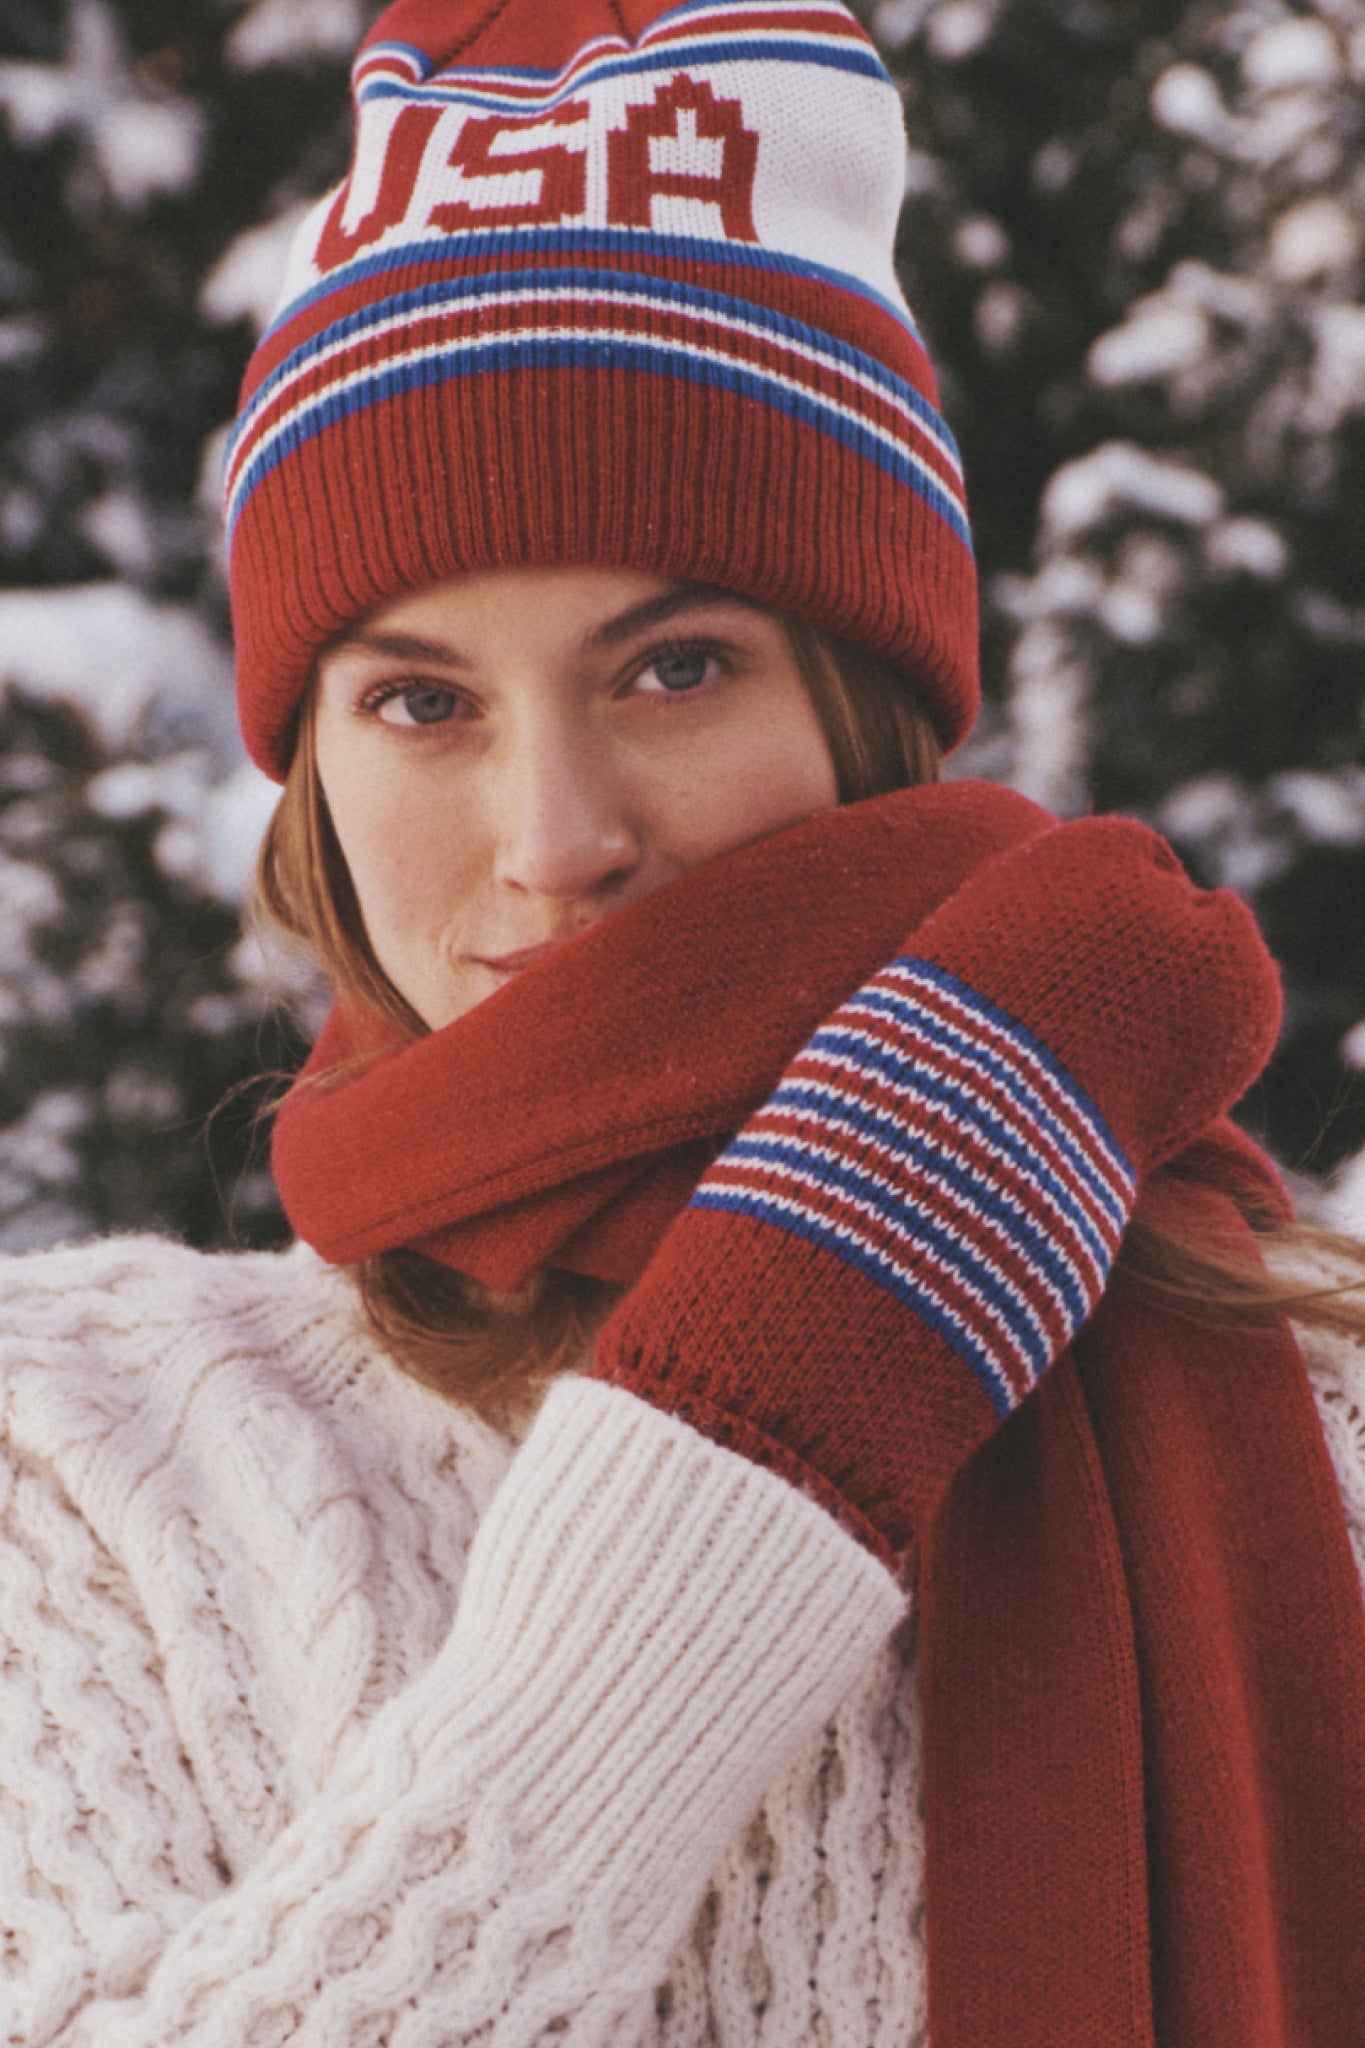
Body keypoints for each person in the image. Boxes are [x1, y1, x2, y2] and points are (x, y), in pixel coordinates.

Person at [3, 3, 1365, 2045]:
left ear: (861, 703)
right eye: (419, 700)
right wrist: (762, 1445)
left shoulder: (1303, 1405)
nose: (552, 841)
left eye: (672, 668)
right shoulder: (80, 1453)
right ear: (311, 770)